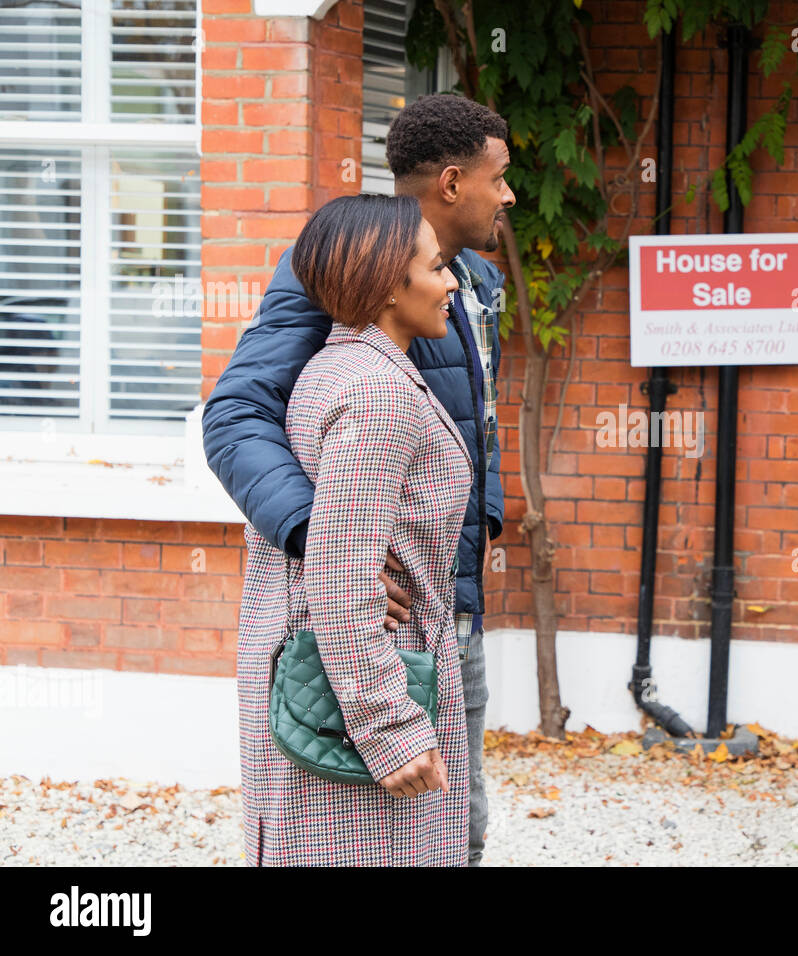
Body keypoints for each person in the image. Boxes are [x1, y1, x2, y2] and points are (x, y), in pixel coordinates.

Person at [204, 95, 513, 866]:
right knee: (365, 829)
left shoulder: (471, 283)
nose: (508, 196)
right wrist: (326, 539)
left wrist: (485, 527)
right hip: (370, 616)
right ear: (450, 182)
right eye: (498, 177)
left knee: (452, 828)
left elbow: (478, 426)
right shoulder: (339, 274)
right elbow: (236, 413)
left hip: (447, 602)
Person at [236, 193, 471, 864]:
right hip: (360, 693)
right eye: (435, 267)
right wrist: (388, 726)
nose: (451, 281)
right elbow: (341, 572)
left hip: (329, 680)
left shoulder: (338, 368)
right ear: (387, 284)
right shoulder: (377, 392)